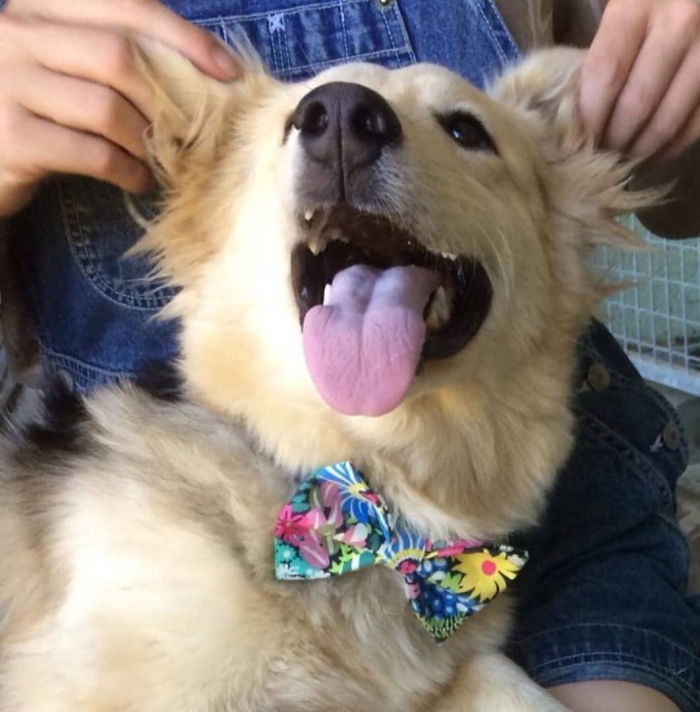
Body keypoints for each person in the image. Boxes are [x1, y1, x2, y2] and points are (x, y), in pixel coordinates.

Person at [0, 0, 698, 710]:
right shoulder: (147, 557)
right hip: (188, 485)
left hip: (552, 533)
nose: (347, 122)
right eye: (301, 122)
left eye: (463, 130)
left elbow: (682, 192)